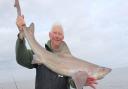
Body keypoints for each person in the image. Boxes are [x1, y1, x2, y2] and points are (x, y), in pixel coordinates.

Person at [15, 15, 97, 89]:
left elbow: (71, 81)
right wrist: (21, 37)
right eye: (55, 33)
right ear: (50, 35)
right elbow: (21, 58)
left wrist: (81, 82)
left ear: (63, 37)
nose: (57, 36)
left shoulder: (69, 60)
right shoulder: (39, 52)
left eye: (60, 34)